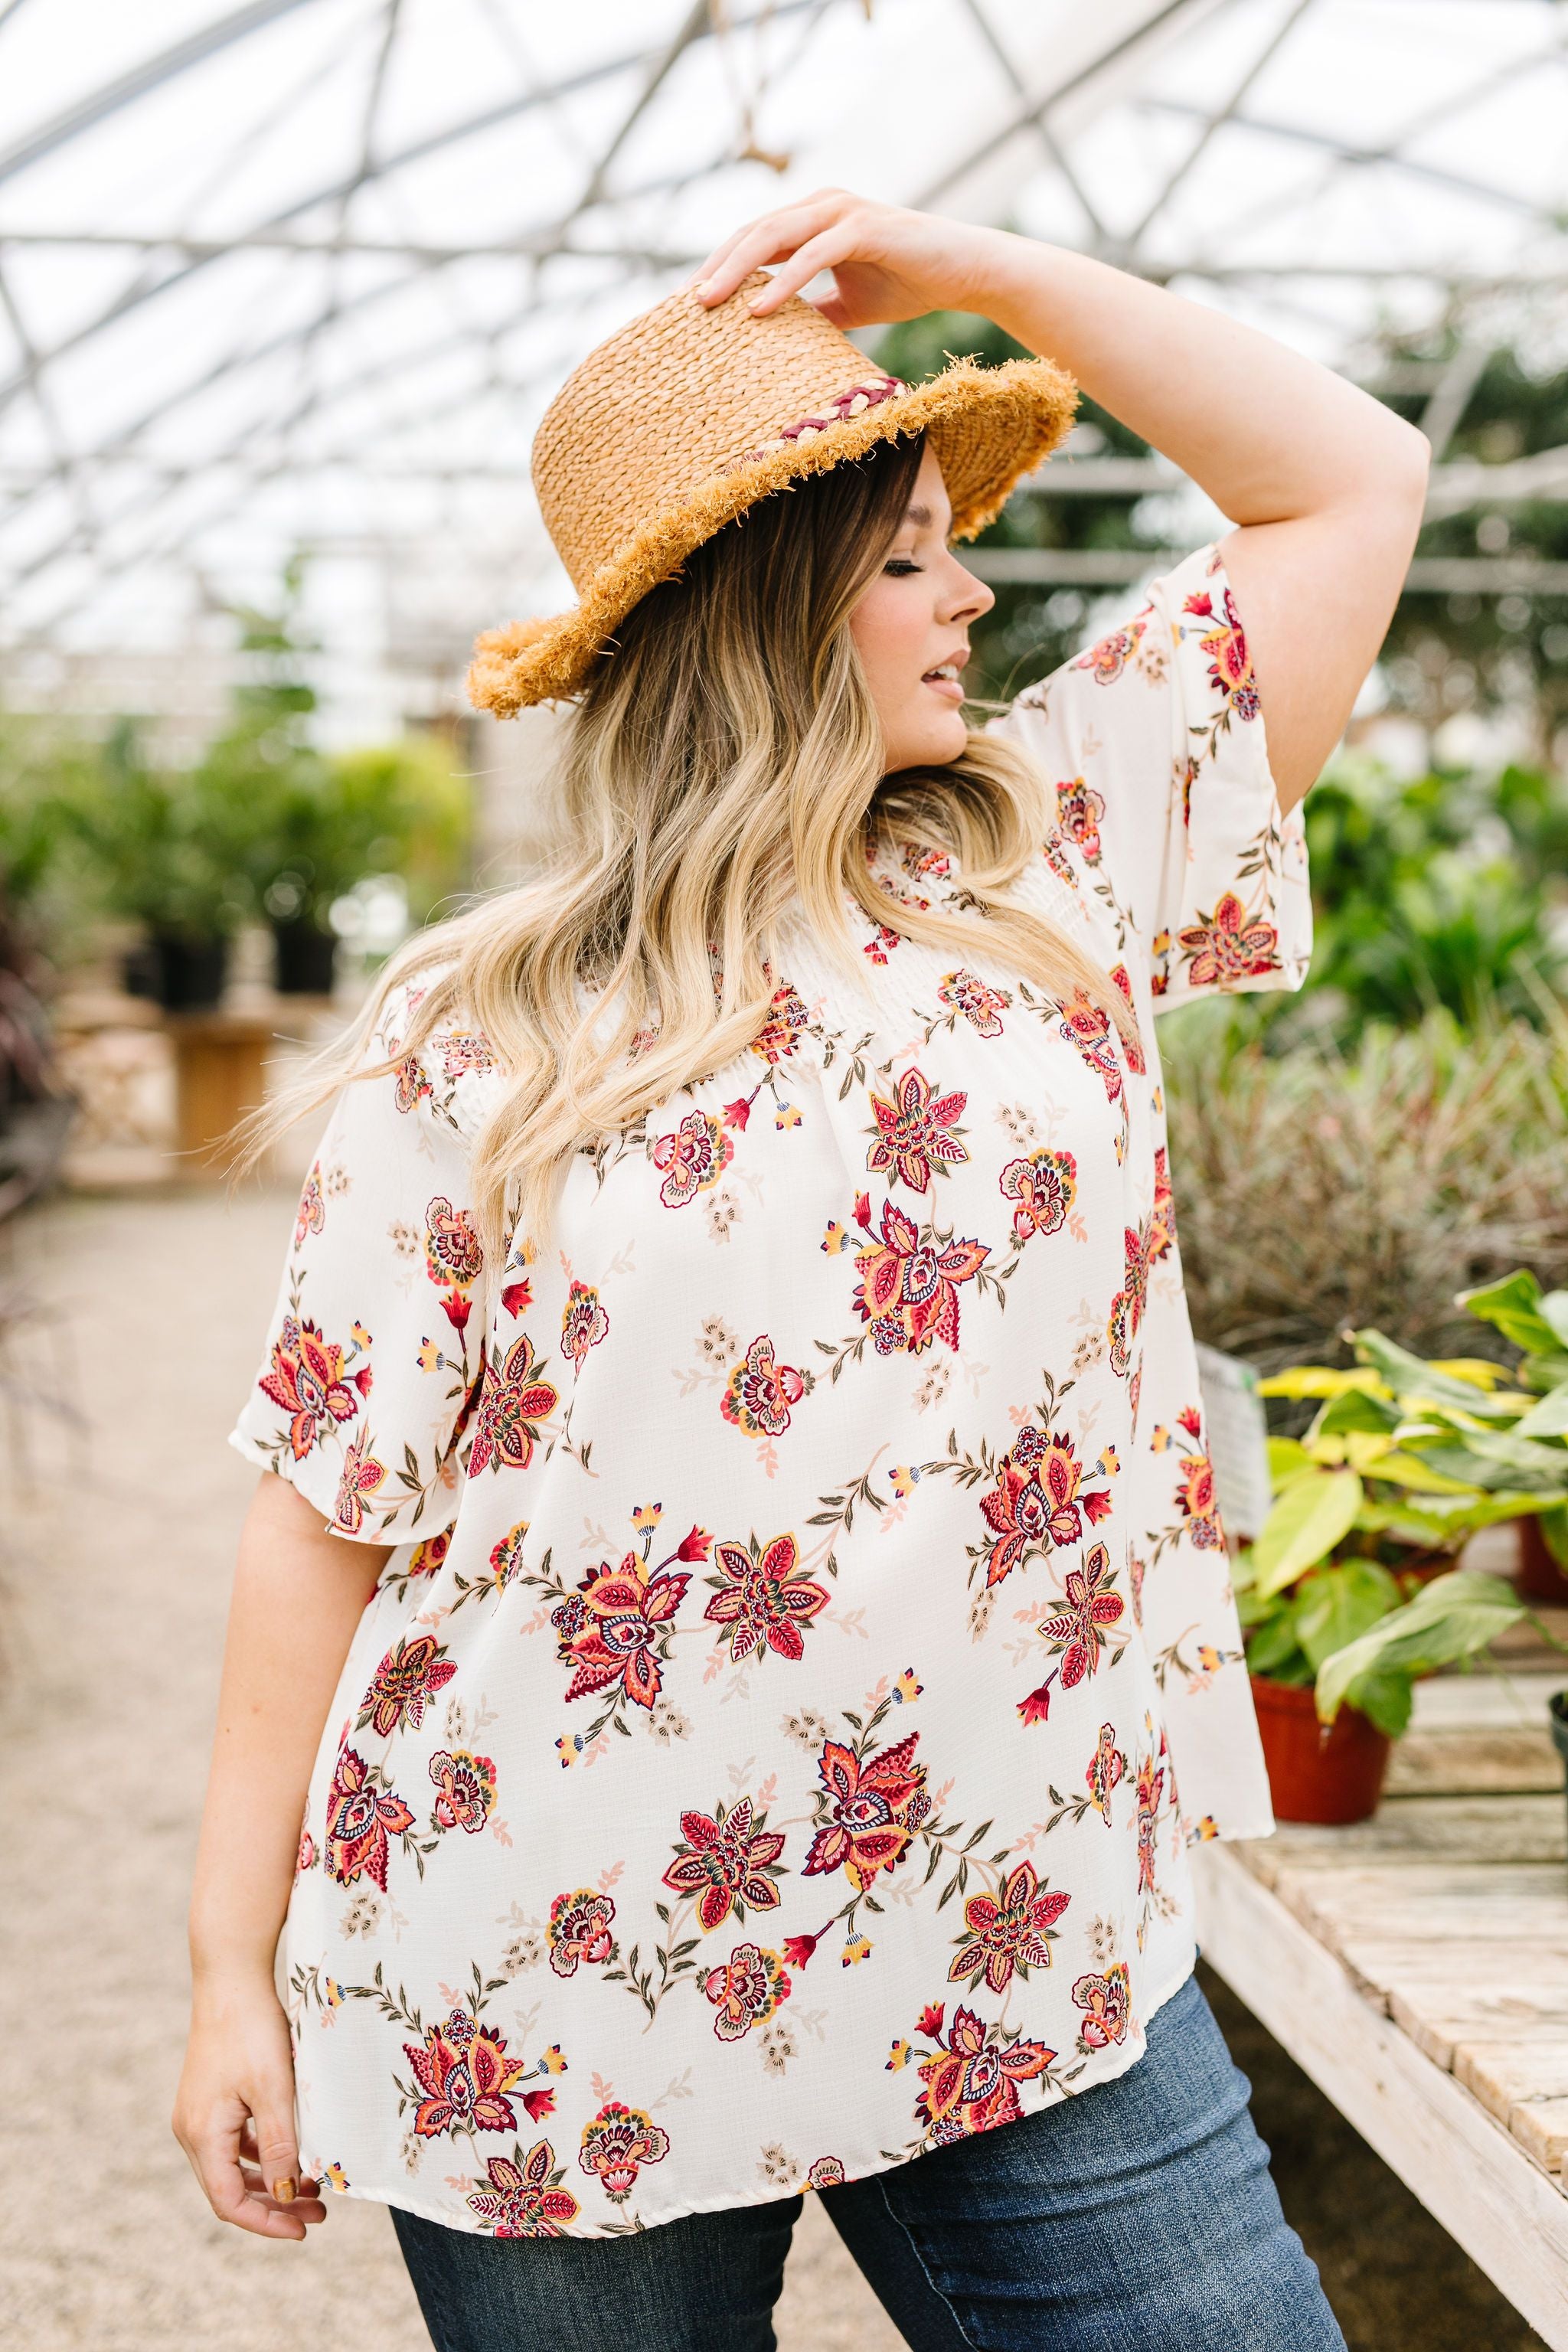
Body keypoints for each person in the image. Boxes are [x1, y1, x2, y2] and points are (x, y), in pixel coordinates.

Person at [174, 190, 1426, 2350]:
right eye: (915, 549)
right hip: (551, 1988)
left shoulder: (1054, 848)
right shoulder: (482, 1028)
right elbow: (325, 1514)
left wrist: (989, 272)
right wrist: (229, 1981)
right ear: (771, 604)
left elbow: (1350, 481)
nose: (980, 591)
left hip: (1020, 1946)